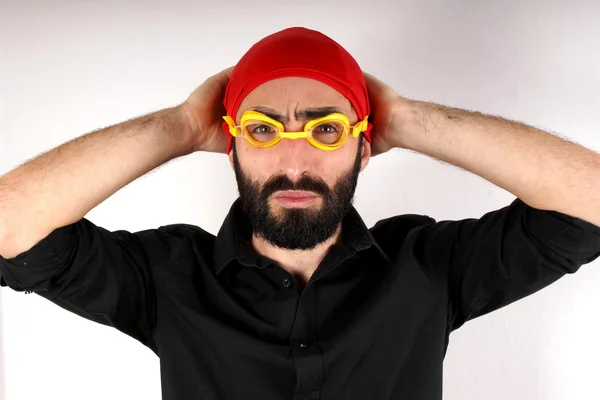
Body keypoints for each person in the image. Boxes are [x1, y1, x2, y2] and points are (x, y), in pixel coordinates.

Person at [0, 26, 599, 400]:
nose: (293, 161)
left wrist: (407, 117)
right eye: (262, 130)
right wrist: (180, 126)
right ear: (228, 142)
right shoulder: (169, 277)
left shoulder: (427, 266)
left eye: (327, 129)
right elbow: (10, 223)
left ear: (365, 146)